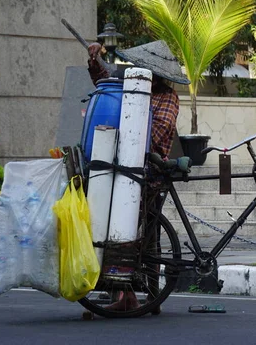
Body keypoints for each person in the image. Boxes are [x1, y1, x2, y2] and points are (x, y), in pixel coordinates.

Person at [87, 41, 190, 312]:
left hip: (149, 174)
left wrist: (130, 123)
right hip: (120, 169)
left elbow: (154, 134)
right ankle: (126, 296)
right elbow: (105, 83)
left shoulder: (167, 97)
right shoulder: (129, 85)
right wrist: (95, 59)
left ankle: (149, 296)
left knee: (144, 238)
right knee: (120, 232)